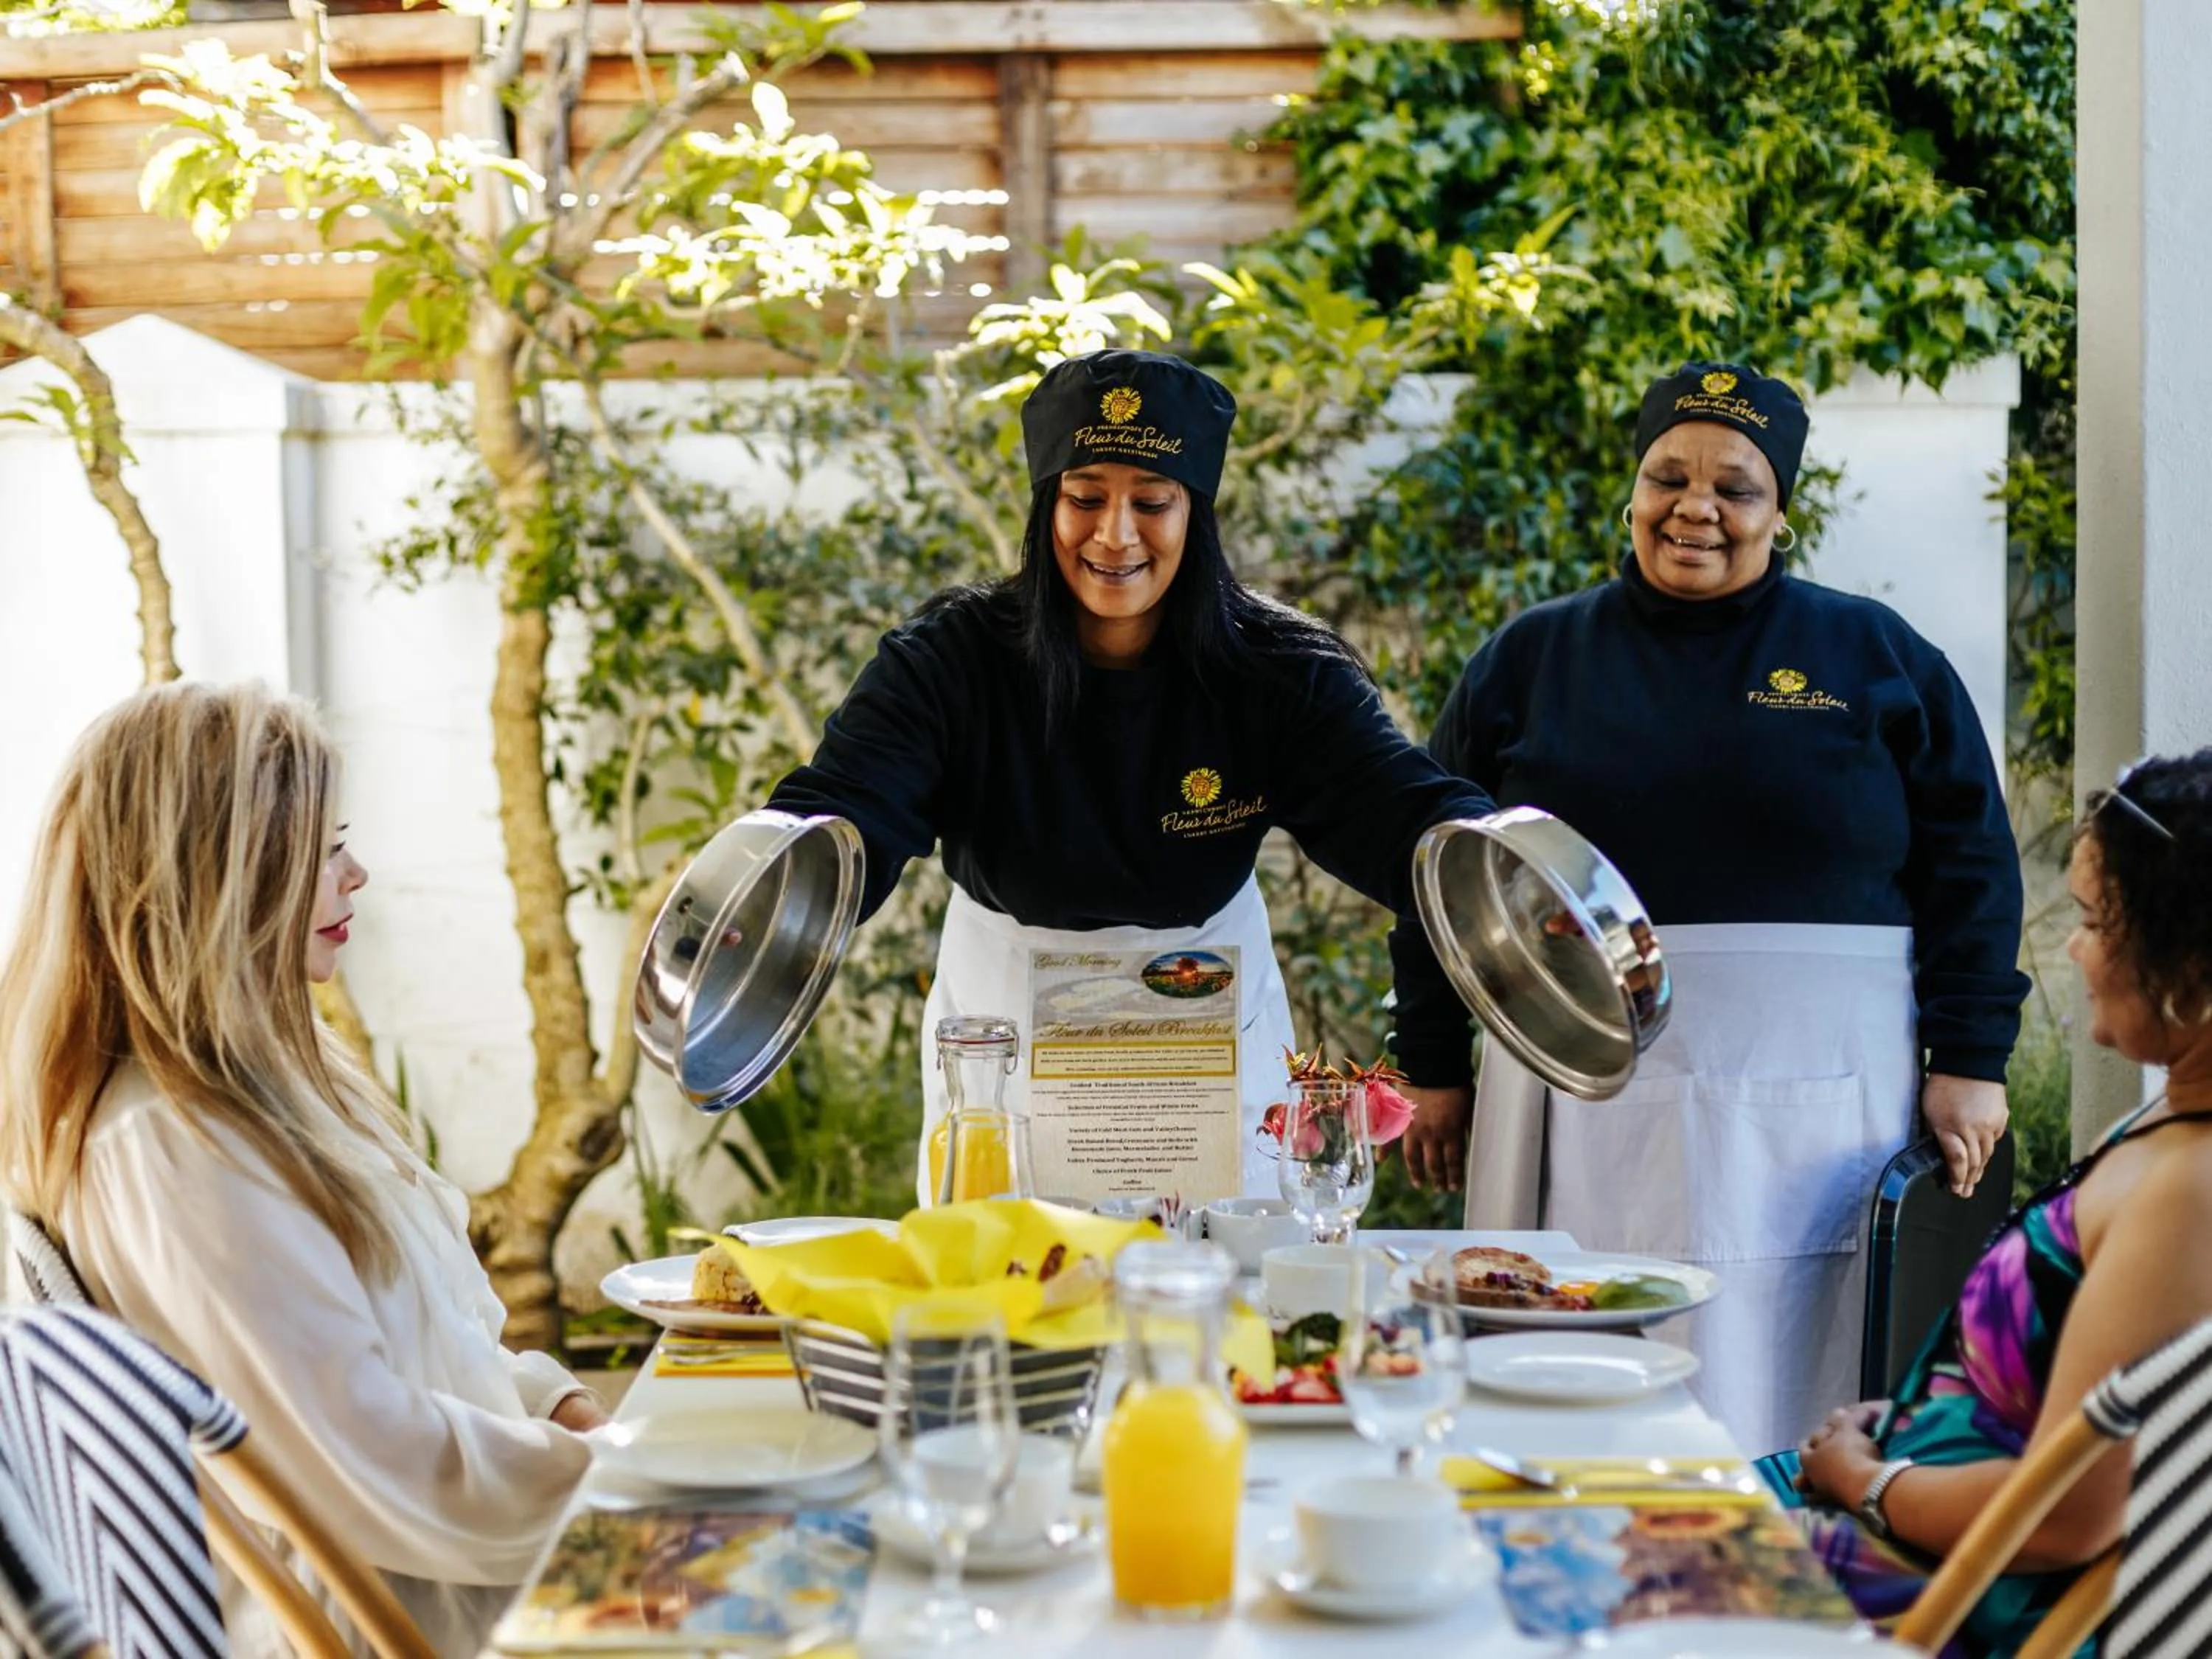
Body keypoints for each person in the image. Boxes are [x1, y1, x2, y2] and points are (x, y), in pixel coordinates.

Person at [1388, 361, 2028, 1455]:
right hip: (1572, 1089)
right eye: (1667, 477)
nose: (1697, 507)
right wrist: (1434, 1066)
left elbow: (1973, 861)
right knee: (1571, 1367)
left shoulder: (1874, 657)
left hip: (1820, 1107)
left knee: (1802, 1373)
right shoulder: (1531, 660)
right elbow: (1437, 874)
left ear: (1781, 514)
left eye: (1736, 487)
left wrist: (1972, 1056)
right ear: (1632, 493)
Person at [767, 348, 1492, 1197]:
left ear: (1196, 514)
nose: (1115, 535)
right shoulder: (950, 663)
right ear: (1046, 508)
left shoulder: (1280, 673)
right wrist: (776, 890)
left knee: (1223, 1293)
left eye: (1152, 501)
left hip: (1205, 1021)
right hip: (1008, 1027)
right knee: (1009, 1294)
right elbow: (850, 807)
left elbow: (1398, 811)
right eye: (1084, 499)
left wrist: (1493, 865)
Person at [0, 682, 597, 1659]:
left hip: (460, 1558)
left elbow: (442, 1335)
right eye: (325, 846)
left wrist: (555, 1404)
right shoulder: (170, 1148)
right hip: (410, 1611)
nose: (357, 872)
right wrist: (613, 1482)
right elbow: (361, 1455)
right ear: (219, 876)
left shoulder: (285, 1085)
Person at [1762, 752, 2212, 1655]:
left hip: (1950, 1599)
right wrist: (1892, 1438)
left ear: (2188, 966)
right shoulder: (2176, 1120)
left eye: (2094, 921)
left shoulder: (2191, 1195)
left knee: (1569, 1553)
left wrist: (1869, 1481)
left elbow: (2065, 1520)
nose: (2075, 949)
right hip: (1916, 1526)